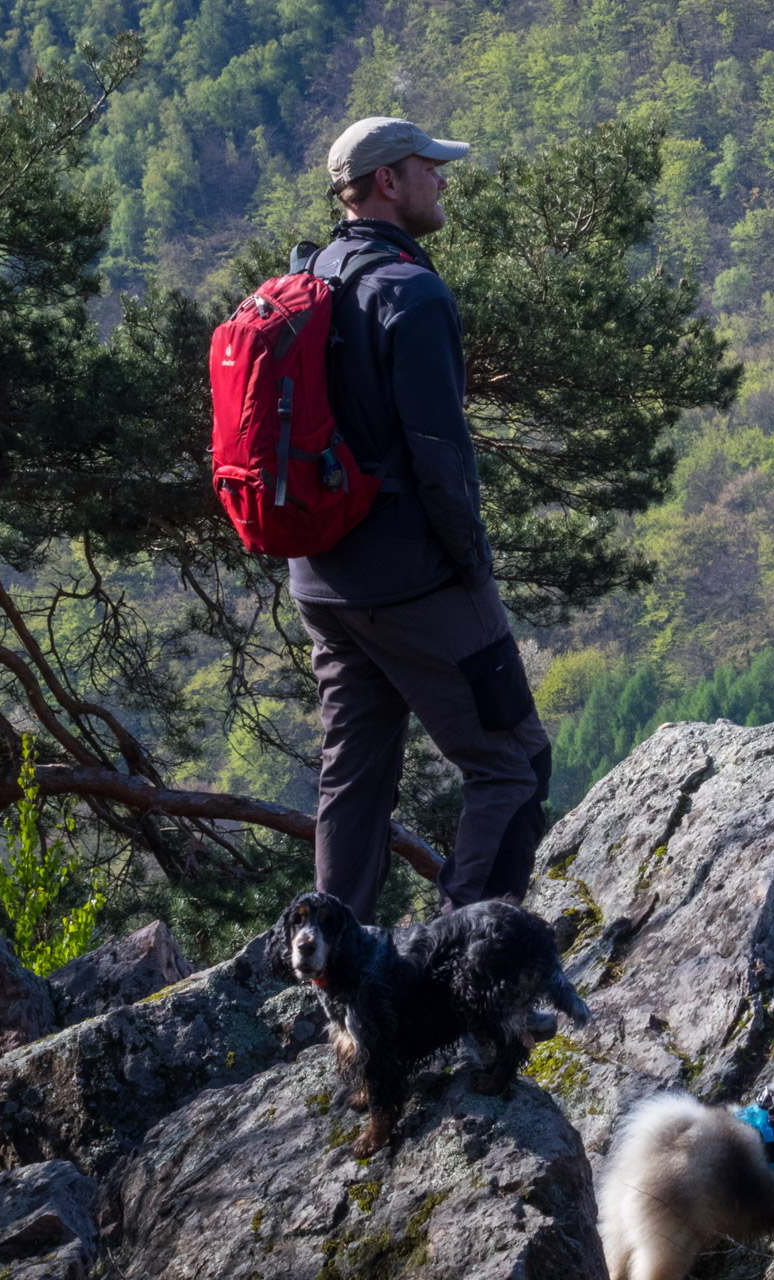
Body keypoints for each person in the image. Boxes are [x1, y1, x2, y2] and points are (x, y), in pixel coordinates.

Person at [288, 116, 550, 923]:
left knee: (353, 775)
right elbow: (441, 457)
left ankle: (338, 973)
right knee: (513, 762)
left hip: (320, 578)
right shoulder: (412, 293)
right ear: (388, 183)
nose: (443, 177)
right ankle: (466, 957)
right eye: (427, 166)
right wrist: (474, 569)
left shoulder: (308, 278)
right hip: (411, 578)